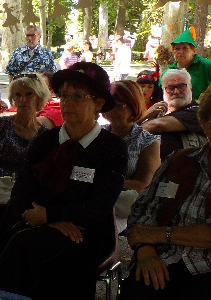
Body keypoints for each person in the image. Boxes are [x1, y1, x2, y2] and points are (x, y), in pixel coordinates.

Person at [0, 62, 128, 299]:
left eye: (78, 96)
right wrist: (40, 218)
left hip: (84, 233)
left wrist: (50, 216)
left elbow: (100, 205)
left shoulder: (112, 148)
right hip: (33, 220)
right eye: (65, 95)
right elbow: (21, 190)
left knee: (27, 249)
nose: (68, 102)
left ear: (98, 103)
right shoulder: (45, 140)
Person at [118, 87, 211, 299]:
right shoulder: (180, 160)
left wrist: (158, 234)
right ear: (204, 124)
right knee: (138, 289)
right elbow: (142, 210)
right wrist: (144, 249)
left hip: (206, 267)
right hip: (163, 259)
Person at [0, 74, 51, 256]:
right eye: (18, 95)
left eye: (29, 94)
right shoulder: (1, 124)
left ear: (39, 98)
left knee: (3, 220)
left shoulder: (45, 134)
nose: (22, 100)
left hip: (21, 192)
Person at [101, 80, 161, 233]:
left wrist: (100, 182)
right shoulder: (98, 134)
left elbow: (143, 184)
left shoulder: (147, 141)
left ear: (132, 106)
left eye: (117, 105)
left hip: (124, 210)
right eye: (108, 104)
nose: (111, 110)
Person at [140, 69, 205, 158]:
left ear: (190, 87)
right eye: (170, 88)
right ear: (163, 90)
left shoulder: (197, 111)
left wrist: (144, 116)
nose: (176, 92)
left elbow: (155, 125)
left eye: (182, 86)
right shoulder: (157, 112)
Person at [160, 28, 211, 103]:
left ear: (194, 51)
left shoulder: (207, 66)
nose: (180, 52)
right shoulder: (167, 73)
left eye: (185, 48)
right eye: (177, 49)